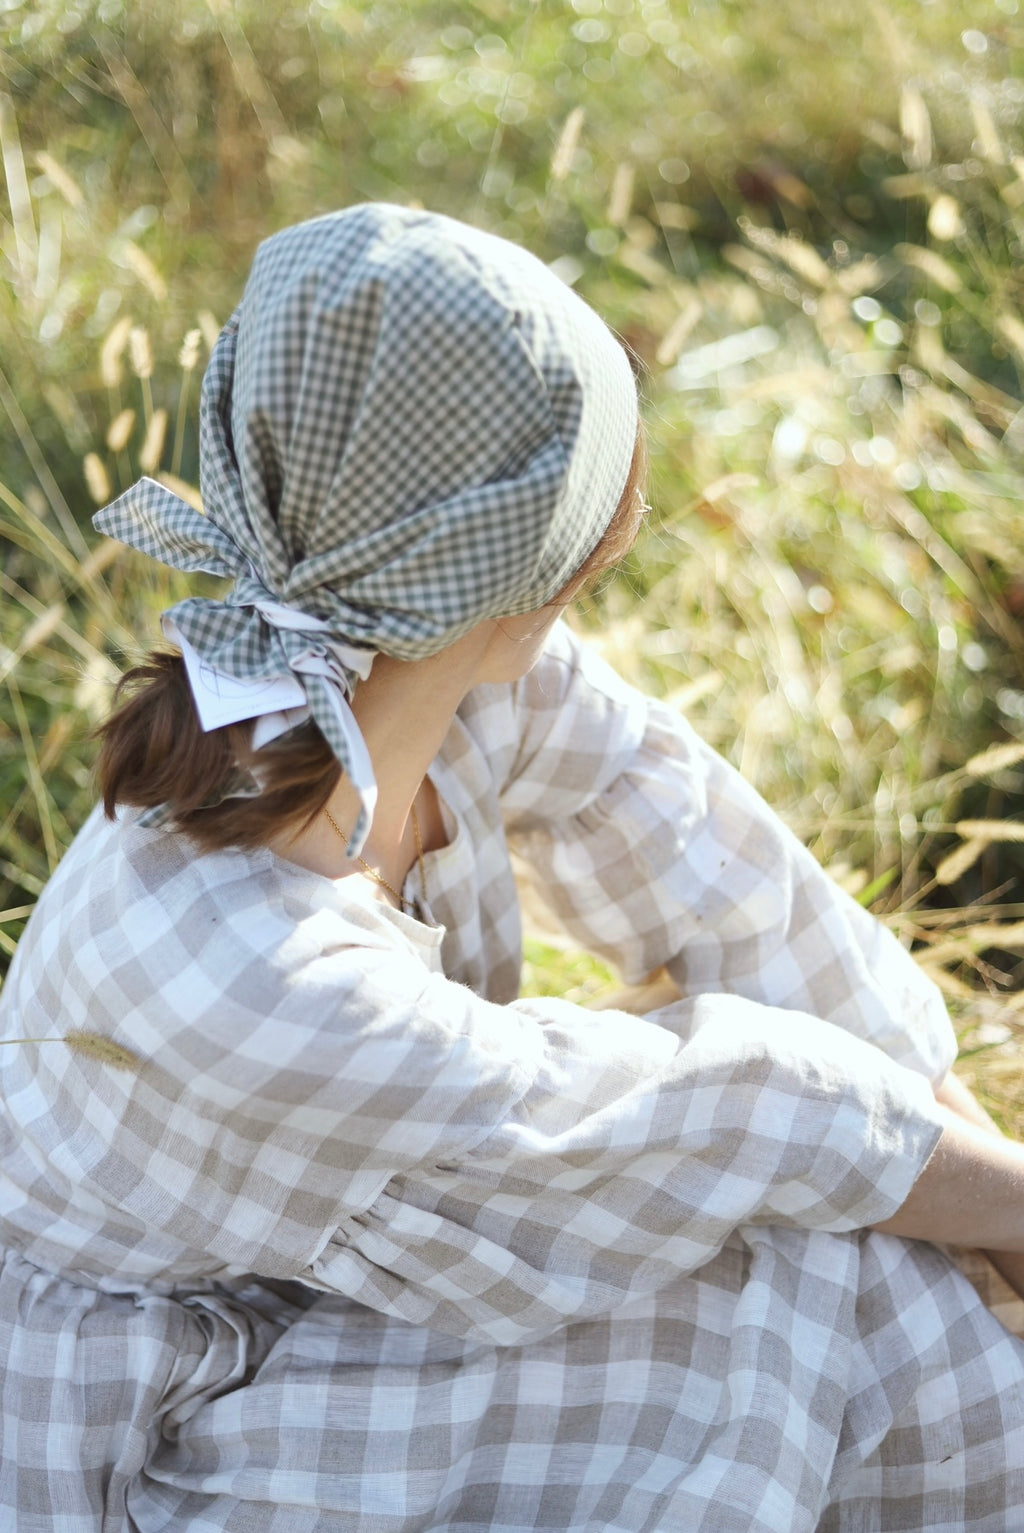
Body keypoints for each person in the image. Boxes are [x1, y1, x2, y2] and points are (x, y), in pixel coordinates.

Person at [1, 202, 1023, 1533]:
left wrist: (957, 1136)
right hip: (167, 1424)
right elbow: (696, 1116)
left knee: (863, 1269)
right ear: (524, 575)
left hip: (322, 1293)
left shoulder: (432, 684)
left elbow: (701, 848)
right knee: (787, 1309)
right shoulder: (246, 966)